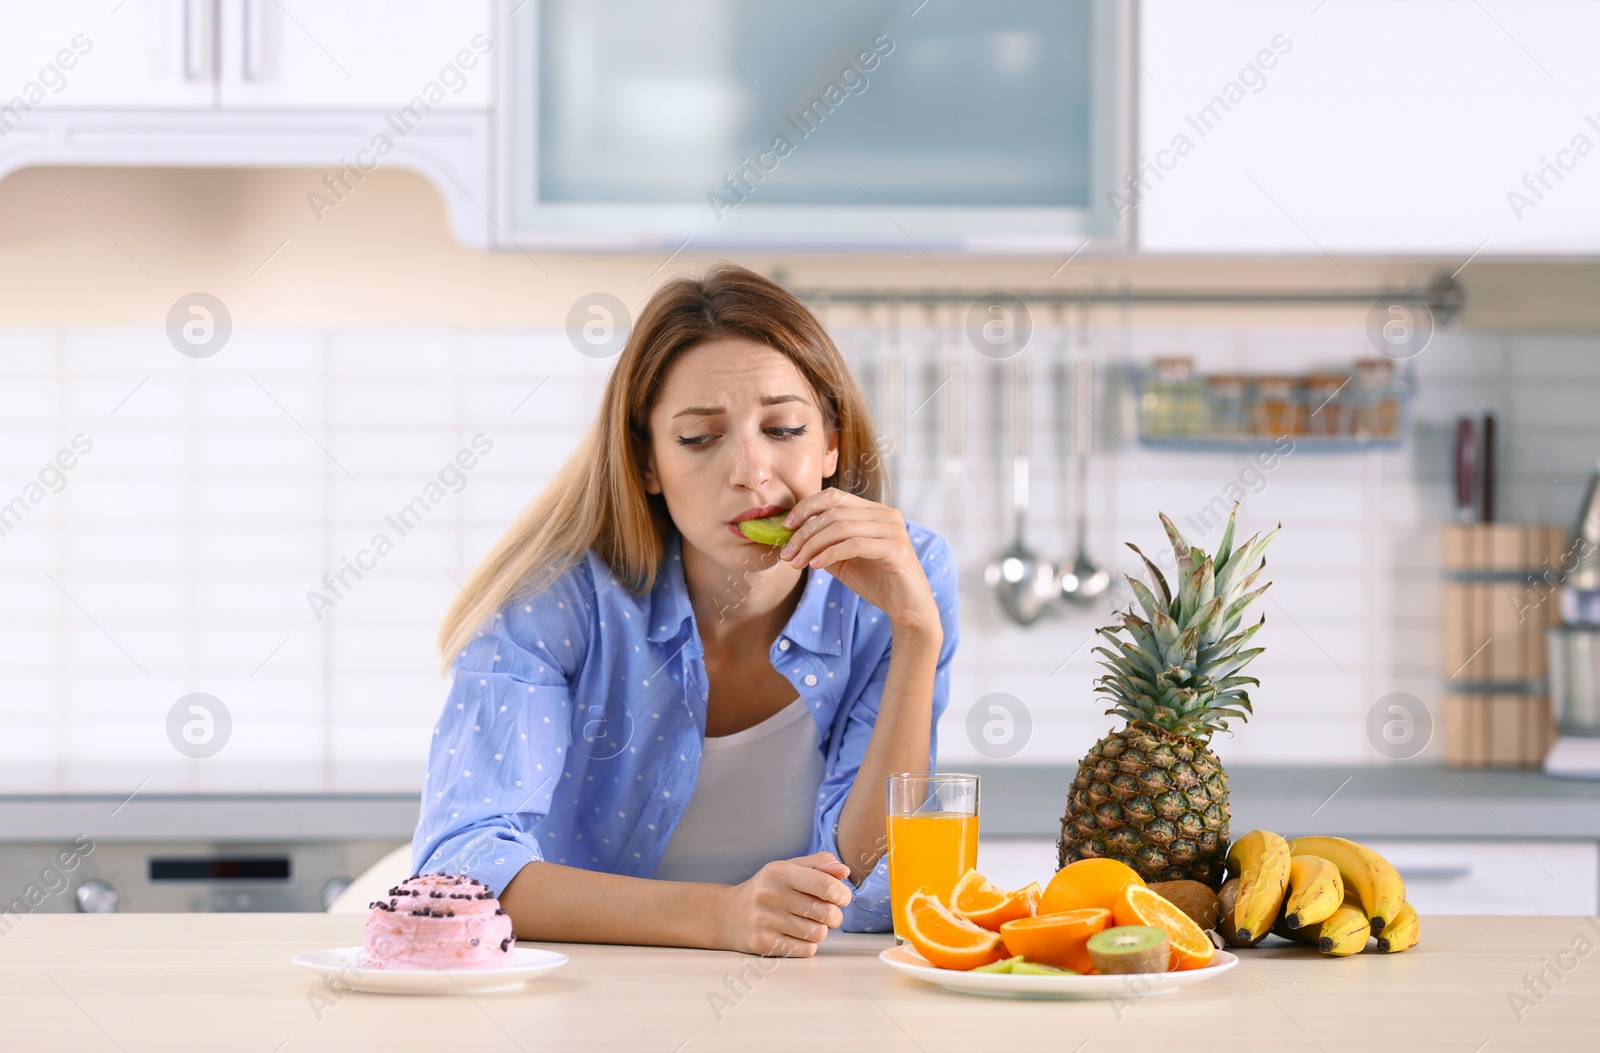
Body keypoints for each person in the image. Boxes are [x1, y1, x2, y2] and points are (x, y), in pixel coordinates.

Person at [413, 264, 958, 957]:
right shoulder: (558, 599)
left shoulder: (909, 574)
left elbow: (871, 872)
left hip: (814, 995)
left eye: (785, 428)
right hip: (585, 999)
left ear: (832, 444)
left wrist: (917, 633)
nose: (752, 472)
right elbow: (458, 872)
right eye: (700, 438)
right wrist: (721, 916)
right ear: (647, 464)